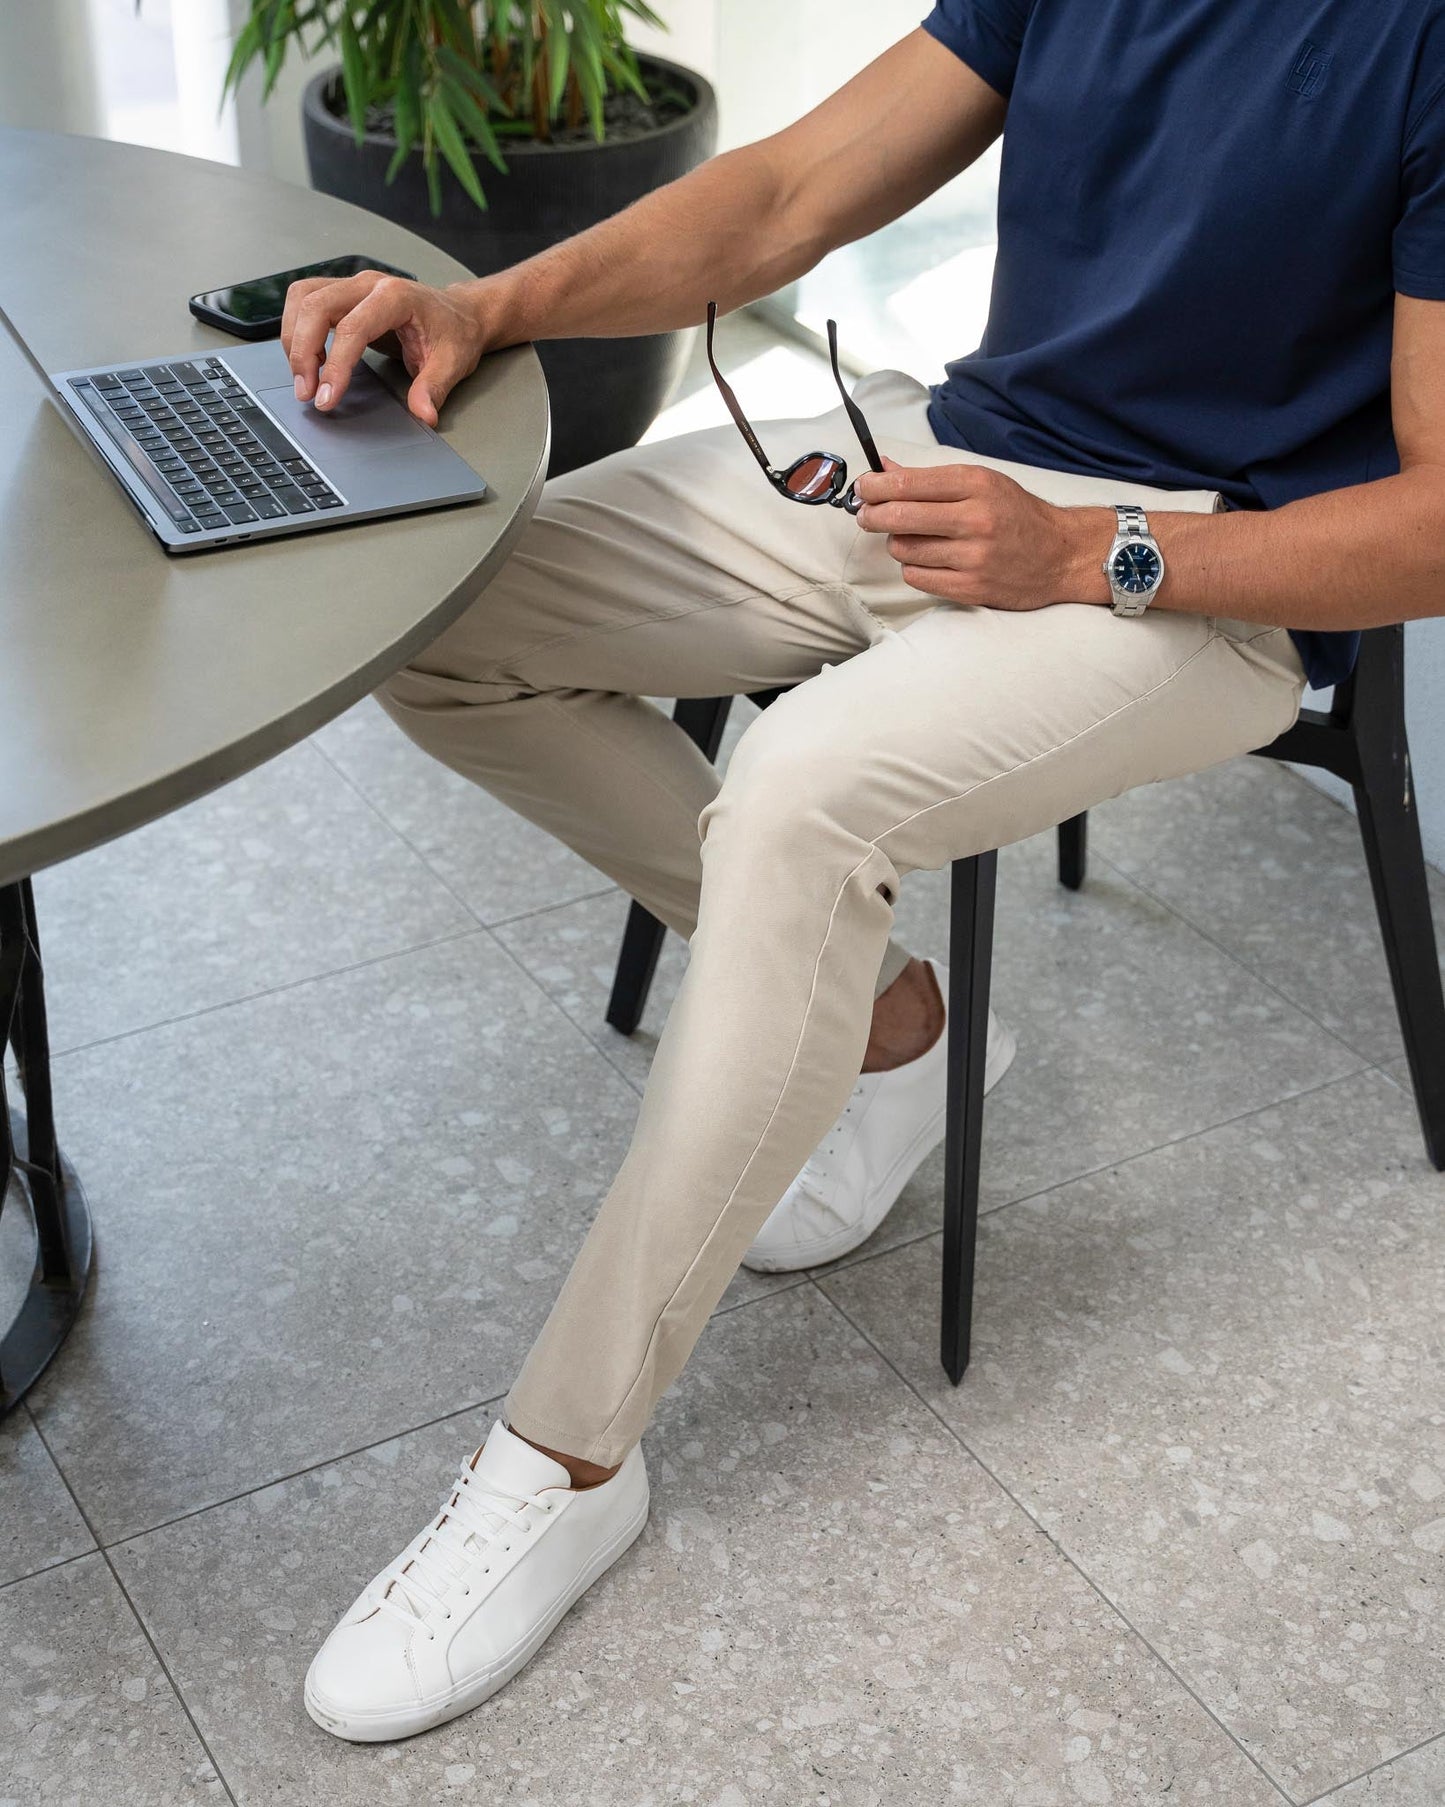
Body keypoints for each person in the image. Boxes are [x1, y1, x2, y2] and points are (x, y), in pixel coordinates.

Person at [282, 2, 1445, 1743]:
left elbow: (1435, 523)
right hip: (959, 459)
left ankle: (570, 1459)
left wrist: (1087, 549)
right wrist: (482, 303)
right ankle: (889, 1022)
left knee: (796, 790)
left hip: (1198, 570)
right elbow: (782, 196)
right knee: (438, 615)